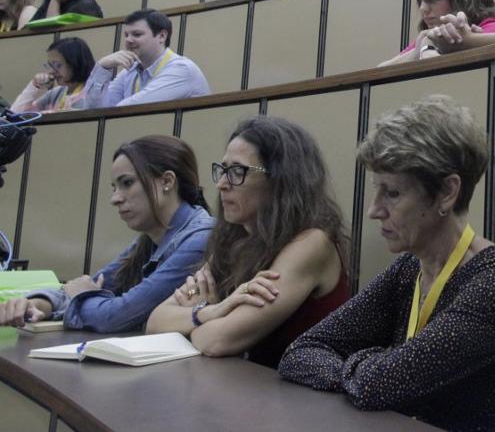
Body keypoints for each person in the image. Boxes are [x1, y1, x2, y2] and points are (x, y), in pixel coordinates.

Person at [278, 97, 495, 427]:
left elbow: (378, 386)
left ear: (447, 192)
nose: (374, 210)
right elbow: (302, 351)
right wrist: (374, 366)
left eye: (392, 193)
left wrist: (365, 367)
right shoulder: (410, 268)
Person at [147, 116, 349, 367]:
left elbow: (216, 340)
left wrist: (195, 322)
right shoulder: (236, 240)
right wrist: (211, 311)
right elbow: (155, 321)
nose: (221, 184)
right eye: (222, 171)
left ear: (280, 179)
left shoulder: (311, 243)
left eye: (237, 172)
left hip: (301, 400)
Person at [0, 135, 213, 333]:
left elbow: (117, 315)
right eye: (114, 187)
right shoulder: (149, 238)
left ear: (167, 181)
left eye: (127, 183)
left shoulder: (201, 238)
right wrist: (36, 304)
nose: (115, 199)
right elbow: (88, 285)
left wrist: (83, 295)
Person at [80, 9, 210, 108]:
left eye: (137, 34)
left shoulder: (182, 69)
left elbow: (131, 109)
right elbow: (94, 110)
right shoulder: (129, 71)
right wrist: (102, 67)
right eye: (126, 35)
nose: (128, 40)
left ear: (162, 36)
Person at [10, 37, 95, 112]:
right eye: (50, 66)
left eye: (58, 65)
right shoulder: (55, 93)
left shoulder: (94, 92)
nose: (52, 71)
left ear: (75, 63)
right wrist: (34, 86)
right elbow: (14, 114)